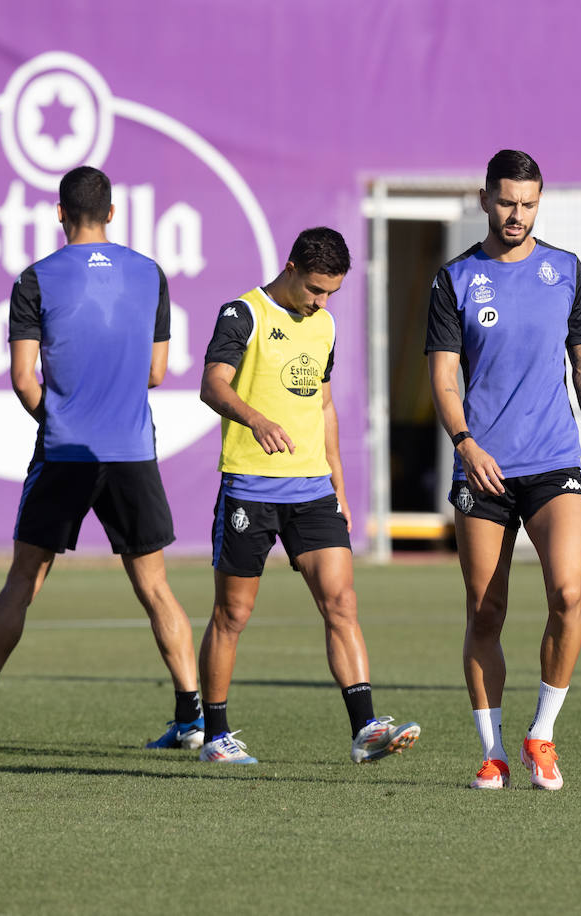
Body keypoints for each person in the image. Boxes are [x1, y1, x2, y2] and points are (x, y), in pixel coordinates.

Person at [0, 166, 203, 751]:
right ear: (113, 212)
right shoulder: (150, 273)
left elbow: (23, 379)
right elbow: (157, 372)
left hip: (64, 453)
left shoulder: (35, 279)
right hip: (132, 452)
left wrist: (61, 421)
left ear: (59, 214)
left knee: (22, 582)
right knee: (156, 588)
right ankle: (191, 718)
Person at [426, 150, 581, 791]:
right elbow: (444, 377)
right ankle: (493, 751)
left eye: (528, 203)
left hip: (555, 460)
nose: (517, 214)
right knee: (487, 612)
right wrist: (465, 443)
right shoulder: (454, 278)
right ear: (485, 199)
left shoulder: (565, 270)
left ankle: (542, 735)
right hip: (483, 470)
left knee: (567, 595)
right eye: (506, 201)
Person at [195, 227, 420, 765]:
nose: (321, 302)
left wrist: (338, 481)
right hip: (250, 488)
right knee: (233, 614)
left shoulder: (324, 325)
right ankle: (215, 737)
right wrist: (255, 419)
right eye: (316, 289)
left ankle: (365, 728)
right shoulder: (242, 314)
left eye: (331, 294)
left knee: (341, 601)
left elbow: (322, 405)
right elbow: (212, 385)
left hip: (313, 489)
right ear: (292, 266)